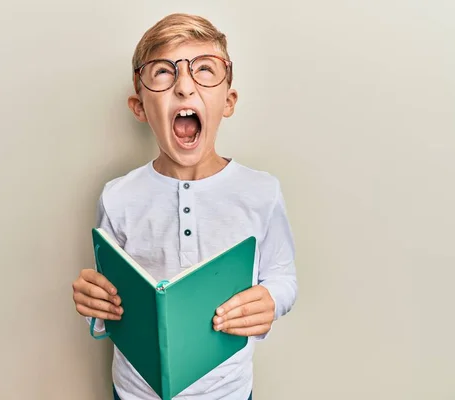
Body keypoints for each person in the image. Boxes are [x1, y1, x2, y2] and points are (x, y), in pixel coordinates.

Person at [72, 13, 298, 400]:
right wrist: (96, 304)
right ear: (139, 106)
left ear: (228, 101)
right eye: (163, 73)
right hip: (134, 391)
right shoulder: (117, 196)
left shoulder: (262, 192)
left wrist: (272, 299)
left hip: (227, 390)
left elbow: (282, 275)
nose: (184, 88)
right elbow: (109, 298)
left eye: (205, 70)